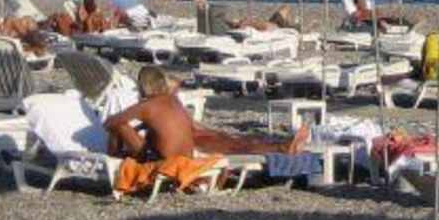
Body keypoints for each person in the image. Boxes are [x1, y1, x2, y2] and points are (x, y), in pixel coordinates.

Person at [101, 66, 310, 163]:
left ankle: (113, 158)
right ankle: (281, 145)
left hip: (165, 158)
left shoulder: (147, 105)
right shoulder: (173, 101)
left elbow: (110, 122)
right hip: (187, 151)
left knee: (118, 125)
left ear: (144, 86)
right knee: (235, 143)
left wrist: (126, 130)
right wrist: (143, 126)